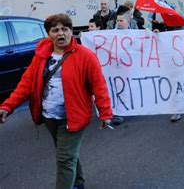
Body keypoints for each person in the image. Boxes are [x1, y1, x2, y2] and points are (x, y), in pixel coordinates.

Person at [0, 14, 112, 189]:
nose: (61, 33)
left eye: (65, 29)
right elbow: (26, 84)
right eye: (55, 30)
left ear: (70, 31)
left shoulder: (85, 56)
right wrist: (8, 106)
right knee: (67, 154)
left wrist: (105, 113)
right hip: (49, 116)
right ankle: (78, 183)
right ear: (49, 34)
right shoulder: (41, 56)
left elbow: (100, 87)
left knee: (64, 159)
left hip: (74, 118)